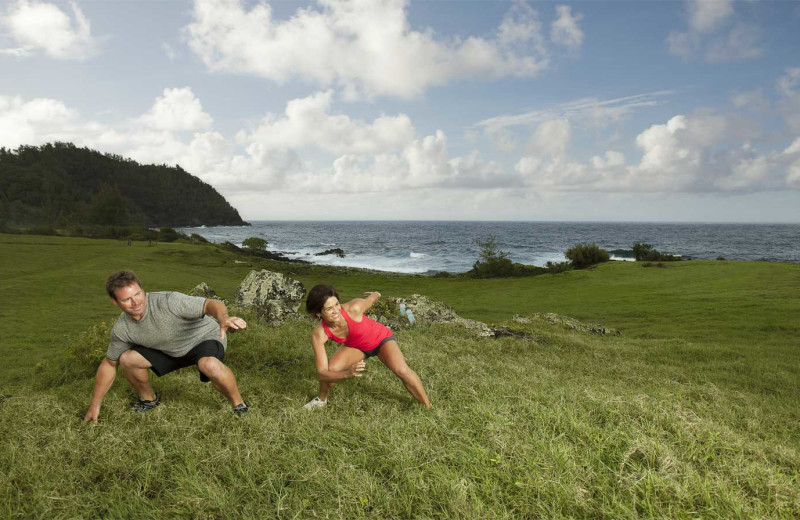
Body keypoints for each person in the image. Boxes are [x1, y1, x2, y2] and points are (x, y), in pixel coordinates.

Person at [83, 270, 249, 423]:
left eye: (138, 294)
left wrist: (224, 318)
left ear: (143, 290)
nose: (135, 302)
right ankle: (149, 400)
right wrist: (95, 404)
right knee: (127, 359)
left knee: (209, 365)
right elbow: (110, 364)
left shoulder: (169, 301)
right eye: (127, 299)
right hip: (168, 349)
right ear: (115, 301)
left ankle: (239, 405)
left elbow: (209, 304)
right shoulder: (122, 329)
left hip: (202, 339)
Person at [303, 284, 432, 409]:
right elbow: (322, 373)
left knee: (402, 370)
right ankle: (321, 400)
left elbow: (373, 298)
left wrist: (376, 294)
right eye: (329, 308)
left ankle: (428, 406)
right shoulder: (319, 334)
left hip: (381, 339)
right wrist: (346, 374)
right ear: (318, 313)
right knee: (330, 373)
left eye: (337, 304)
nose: (336, 310)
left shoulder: (355, 308)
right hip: (356, 347)